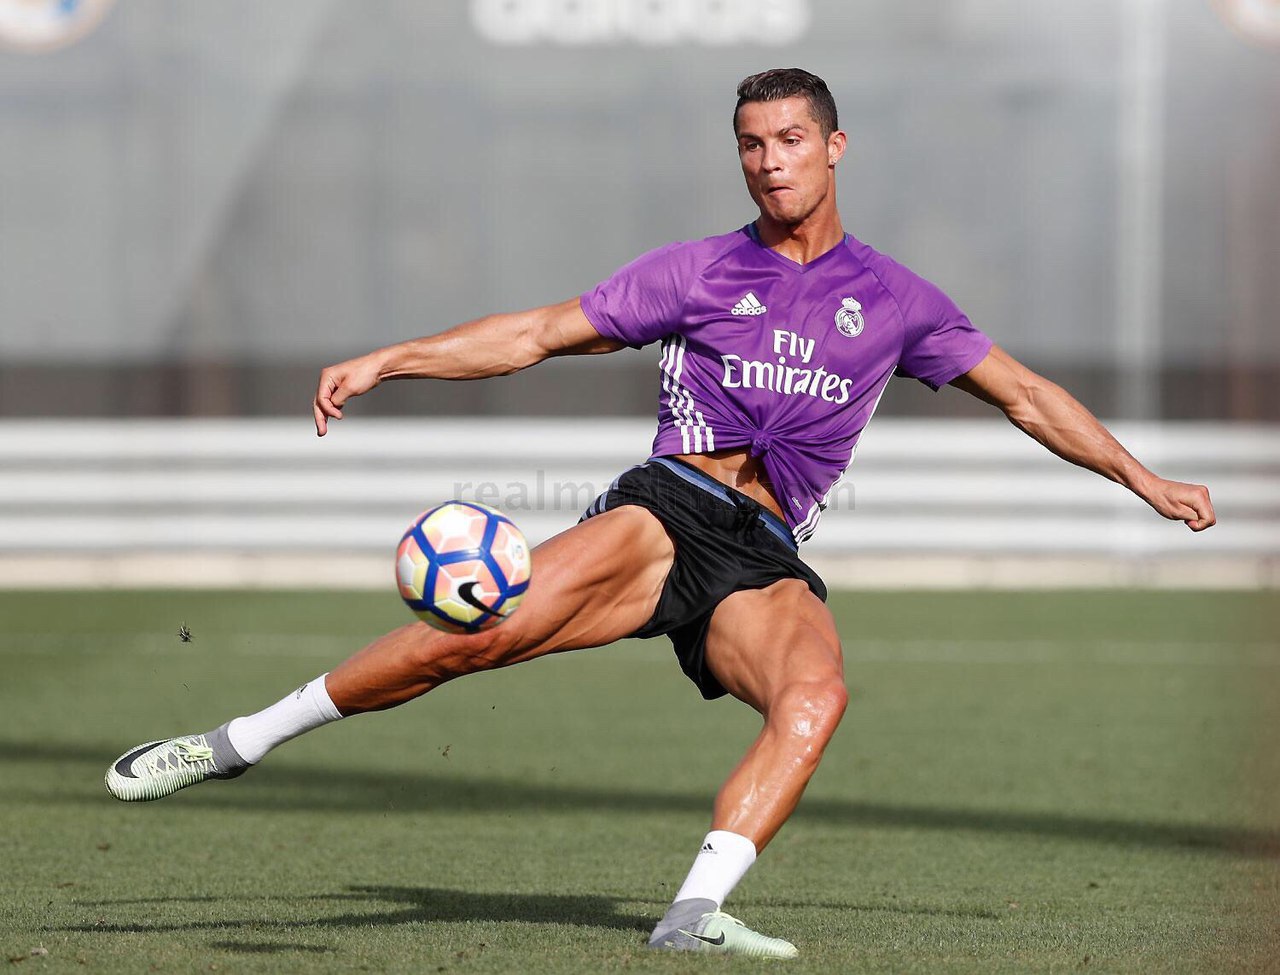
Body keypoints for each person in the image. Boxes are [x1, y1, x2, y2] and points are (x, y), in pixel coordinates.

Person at [103, 68, 1216, 958]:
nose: (769, 160)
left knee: (815, 699)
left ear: (834, 147)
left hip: (764, 554)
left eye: (790, 139)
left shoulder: (896, 301)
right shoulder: (698, 271)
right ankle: (234, 742)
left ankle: (692, 914)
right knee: (475, 634)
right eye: (751, 143)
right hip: (668, 508)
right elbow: (535, 334)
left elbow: (1026, 397)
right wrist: (391, 359)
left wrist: (1144, 480)